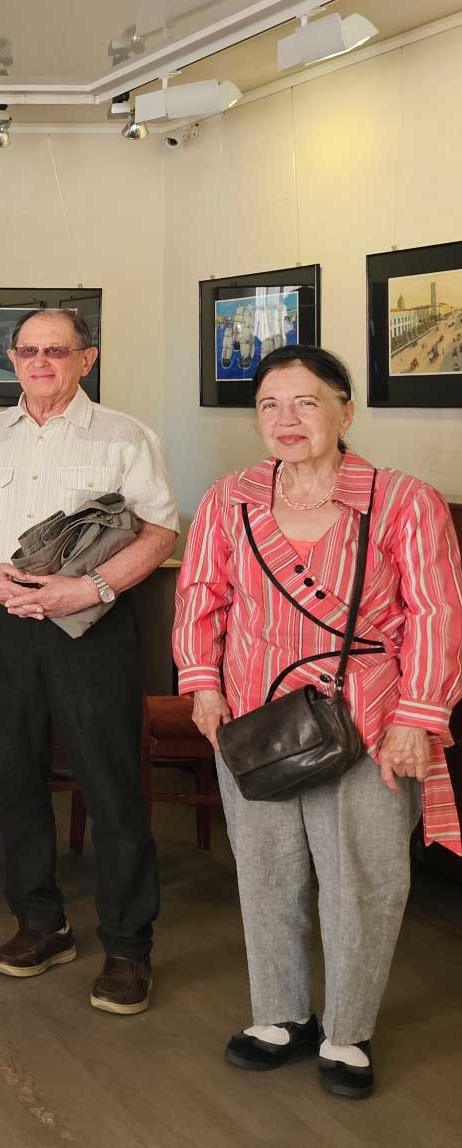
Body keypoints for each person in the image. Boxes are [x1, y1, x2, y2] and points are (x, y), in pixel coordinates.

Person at [174, 345, 462, 1099]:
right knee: (265, 871)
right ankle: (279, 1015)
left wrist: (417, 717)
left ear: (345, 410)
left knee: (362, 879)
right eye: (270, 405)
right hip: (253, 718)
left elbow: (437, 615)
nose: (287, 420)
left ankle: (347, 1031)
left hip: (370, 719)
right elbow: (201, 597)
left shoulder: (405, 501)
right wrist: (202, 686)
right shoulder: (229, 499)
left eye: (306, 402)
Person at [0, 308, 178, 1016]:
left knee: (110, 782)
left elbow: (160, 530)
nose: (40, 362)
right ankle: (40, 924)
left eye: (57, 351)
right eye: (28, 351)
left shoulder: (125, 436)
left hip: (92, 623)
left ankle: (129, 947)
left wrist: (89, 587)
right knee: (14, 777)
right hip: (4, 618)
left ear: (86, 359)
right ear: (12, 359)